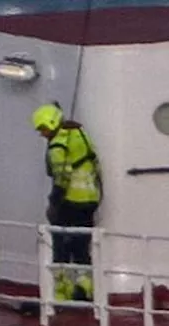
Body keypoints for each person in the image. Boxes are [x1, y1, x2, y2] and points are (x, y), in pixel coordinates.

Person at [32, 102, 102, 302]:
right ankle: (85, 288)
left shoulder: (58, 145)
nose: (42, 134)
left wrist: (54, 203)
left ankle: (62, 292)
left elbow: (62, 176)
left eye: (43, 129)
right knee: (82, 247)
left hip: (70, 201)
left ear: (51, 124)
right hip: (90, 199)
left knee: (61, 246)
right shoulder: (80, 134)